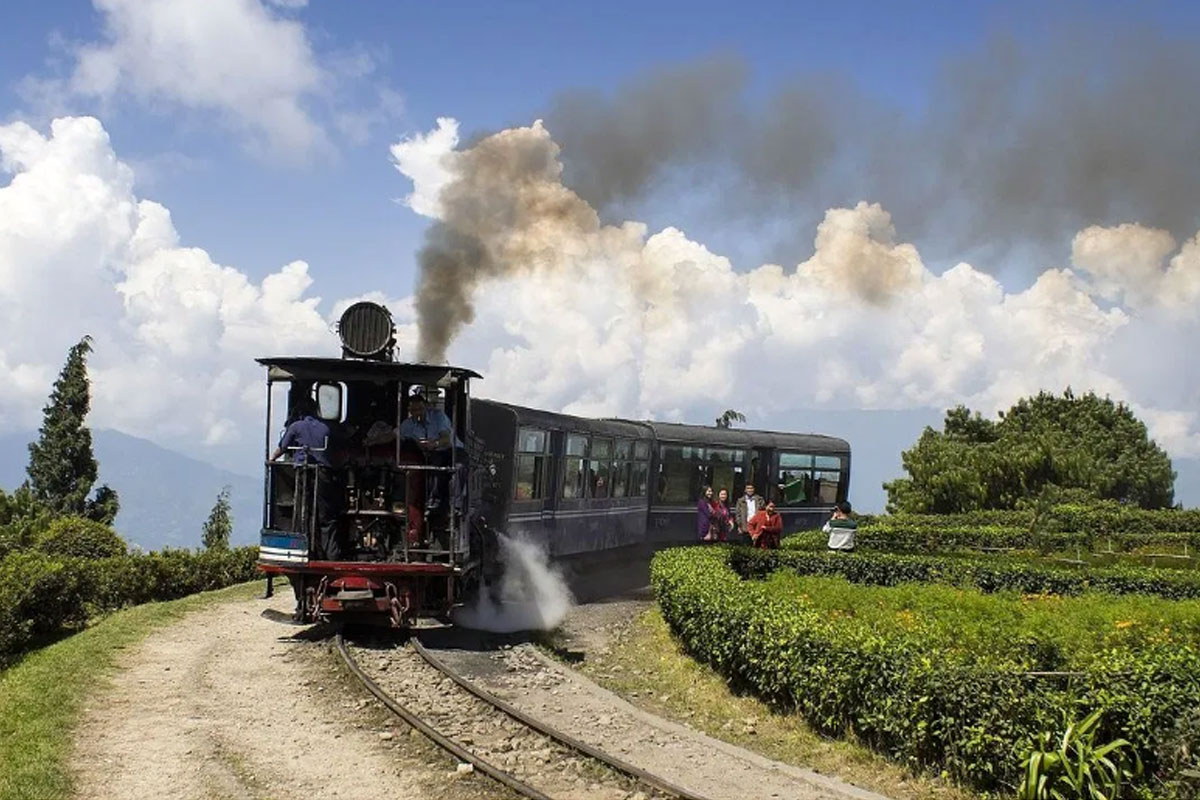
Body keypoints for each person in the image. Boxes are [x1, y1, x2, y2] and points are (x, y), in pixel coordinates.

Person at [270, 398, 341, 560]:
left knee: (304, 511)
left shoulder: (296, 426)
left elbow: (282, 447)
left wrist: (272, 459)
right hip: (323, 473)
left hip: (303, 472)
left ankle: (306, 551)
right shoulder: (326, 427)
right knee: (326, 516)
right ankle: (332, 555)